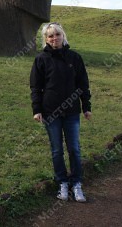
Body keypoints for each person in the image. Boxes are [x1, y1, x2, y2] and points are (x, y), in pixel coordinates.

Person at [30, 22, 92, 202]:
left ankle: (77, 183)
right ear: (46, 39)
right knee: (57, 150)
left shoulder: (75, 58)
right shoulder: (41, 59)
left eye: (57, 34)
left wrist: (86, 107)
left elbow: (83, 84)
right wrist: (37, 110)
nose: (54, 38)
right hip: (51, 112)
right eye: (50, 36)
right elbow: (36, 87)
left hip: (72, 112)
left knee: (74, 149)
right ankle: (62, 183)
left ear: (63, 36)